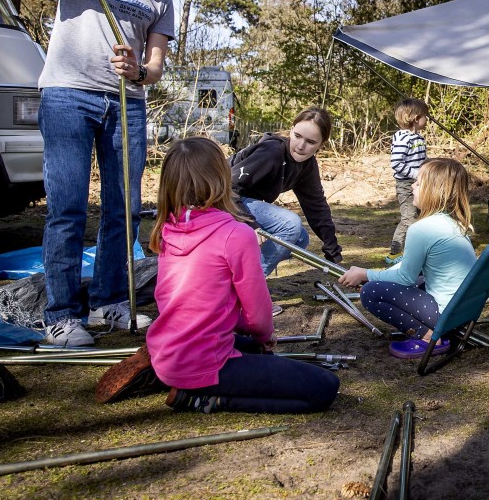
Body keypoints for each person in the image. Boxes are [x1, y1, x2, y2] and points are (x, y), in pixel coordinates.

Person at [2, 0, 178, 348]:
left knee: (124, 209)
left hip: (127, 103)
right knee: (67, 208)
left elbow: (155, 67)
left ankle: (109, 303)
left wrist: (137, 71)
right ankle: (62, 314)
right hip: (68, 96)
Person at [100, 137, 339, 413]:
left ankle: (164, 365)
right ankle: (199, 397)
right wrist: (265, 335)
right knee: (324, 387)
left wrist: (255, 338)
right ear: (221, 176)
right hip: (205, 362)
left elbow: (206, 302)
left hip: (171, 343)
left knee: (252, 348)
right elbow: (258, 314)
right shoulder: (237, 234)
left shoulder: (169, 226)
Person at [339, 158, 477, 360]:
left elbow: (405, 278)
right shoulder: (452, 223)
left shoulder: (421, 229)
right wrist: (375, 275)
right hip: (465, 312)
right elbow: (410, 269)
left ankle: (429, 337)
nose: (412, 185)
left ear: (433, 191)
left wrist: (365, 275)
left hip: (446, 316)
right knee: (409, 280)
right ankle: (430, 330)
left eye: (418, 183)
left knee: (371, 292)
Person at [230, 107, 343, 289]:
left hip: (243, 202)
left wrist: (333, 255)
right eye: (297, 136)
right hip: (220, 200)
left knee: (300, 239)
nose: (300, 145)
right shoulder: (271, 152)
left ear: (322, 144)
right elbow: (227, 187)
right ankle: (246, 290)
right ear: (291, 130)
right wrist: (250, 224)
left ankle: (240, 276)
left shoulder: (307, 165)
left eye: (310, 141)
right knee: (290, 224)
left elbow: (317, 207)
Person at [387, 97, 429, 263]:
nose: (427, 119)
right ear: (416, 119)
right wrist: (416, 174)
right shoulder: (403, 139)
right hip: (406, 185)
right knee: (409, 218)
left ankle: (419, 251)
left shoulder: (417, 138)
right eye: (425, 116)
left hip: (419, 183)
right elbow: (396, 163)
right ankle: (395, 253)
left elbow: (420, 160)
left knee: (421, 216)